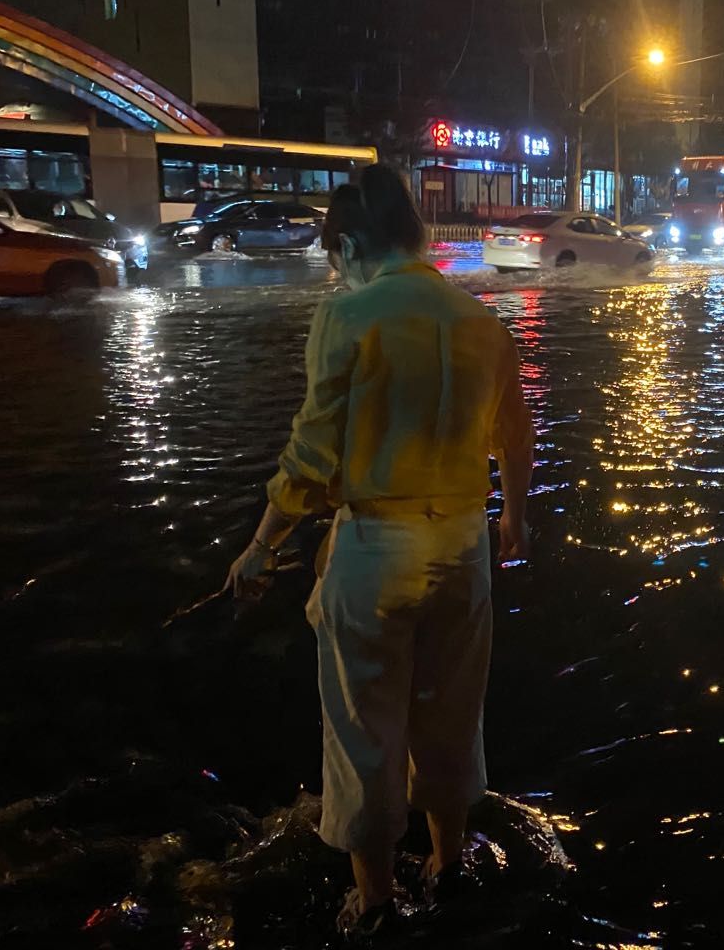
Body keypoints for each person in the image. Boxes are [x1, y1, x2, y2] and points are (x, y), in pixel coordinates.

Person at [223, 165, 534, 938]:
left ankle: (376, 906)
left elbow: (311, 454)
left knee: (365, 732)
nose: (338, 269)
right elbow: (516, 435)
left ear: (355, 243)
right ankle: (452, 868)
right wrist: (515, 517)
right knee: (453, 716)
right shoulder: (481, 321)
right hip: (462, 544)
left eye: (338, 254)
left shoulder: (349, 316)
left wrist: (263, 545)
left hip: (374, 550)